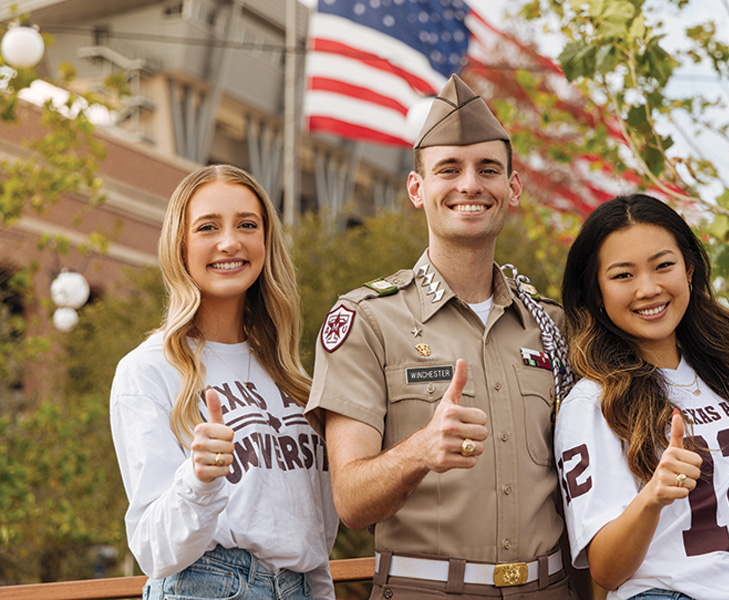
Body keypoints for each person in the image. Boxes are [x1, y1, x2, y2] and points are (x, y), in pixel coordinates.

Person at [305, 74, 580, 599]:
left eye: (488, 170)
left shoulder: (554, 325)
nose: (470, 185)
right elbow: (351, 501)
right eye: (448, 170)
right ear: (417, 189)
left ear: (513, 189)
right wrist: (420, 451)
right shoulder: (366, 321)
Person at [555, 193, 729, 600]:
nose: (648, 289)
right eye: (623, 275)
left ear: (689, 270)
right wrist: (652, 496)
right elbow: (605, 569)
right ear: (596, 293)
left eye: (663, 266)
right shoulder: (592, 402)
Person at [110, 165, 339, 600]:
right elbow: (153, 550)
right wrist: (198, 479)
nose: (230, 242)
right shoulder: (149, 370)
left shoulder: (294, 380)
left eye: (247, 225)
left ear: (266, 242)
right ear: (180, 245)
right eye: (208, 227)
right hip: (204, 586)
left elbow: (314, 531)